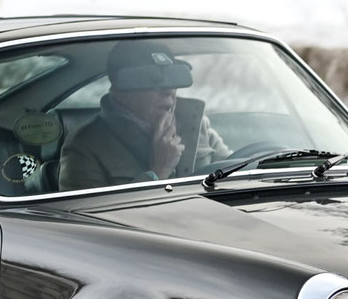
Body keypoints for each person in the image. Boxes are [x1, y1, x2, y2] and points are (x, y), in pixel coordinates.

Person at [58, 40, 231, 191]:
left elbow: (233, 168)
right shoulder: (84, 146)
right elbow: (86, 223)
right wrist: (157, 172)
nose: (169, 90)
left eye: (173, 78)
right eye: (153, 81)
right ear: (120, 90)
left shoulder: (196, 124)